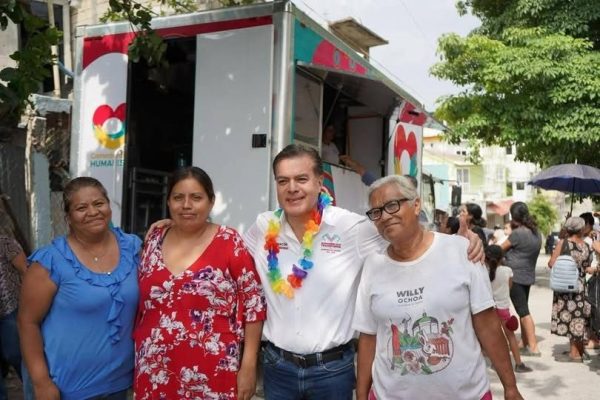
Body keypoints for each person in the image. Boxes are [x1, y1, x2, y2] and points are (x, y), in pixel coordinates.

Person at [241, 144, 484, 399]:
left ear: (319, 182)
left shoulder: (350, 228)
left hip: (331, 372)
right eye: (283, 181)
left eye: (301, 179)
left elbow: (406, 232)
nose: (292, 188)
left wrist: (458, 242)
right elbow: (229, 258)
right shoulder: (263, 227)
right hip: (277, 369)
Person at [353, 175, 522, 400]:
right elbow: (368, 337)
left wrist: (510, 387)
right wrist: (362, 394)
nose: (384, 216)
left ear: (416, 205)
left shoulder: (462, 251)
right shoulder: (373, 266)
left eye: (392, 206)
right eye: (376, 212)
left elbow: (488, 325)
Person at [133, 167, 266, 400]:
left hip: (213, 371)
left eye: (196, 197)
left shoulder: (229, 242)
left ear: (211, 202)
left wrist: (248, 366)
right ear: (168, 201)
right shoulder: (153, 239)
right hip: (154, 369)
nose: (186, 205)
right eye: (178, 198)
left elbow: (253, 304)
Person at [18, 177, 142, 400]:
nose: (93, 212)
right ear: (68, 217)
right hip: (66, 388)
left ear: (109, 206)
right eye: (81, 208)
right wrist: (41, 382)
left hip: (119, 384)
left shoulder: (132, 248)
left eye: (99, 203)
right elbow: (27, 322)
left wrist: (169, 226)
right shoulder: (51, 261)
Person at [548, 217, 594, 362]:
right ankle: (578, 351)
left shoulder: (563, 243)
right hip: (580, 287)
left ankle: (575, 354)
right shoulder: (586, 246)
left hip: (565, 287)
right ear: (581, 229)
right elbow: (586, 267)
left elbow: (551, 263)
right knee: (578, 318)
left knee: (571, 319)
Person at [501, 201, 542, 357]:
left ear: (514, 216)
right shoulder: (536, 232)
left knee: (523, 312)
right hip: (528, 275)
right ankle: (525, 342)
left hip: (515, 276)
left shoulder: (517, 234)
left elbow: (500, 249)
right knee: (523, 308)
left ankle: (533, 347)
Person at [485, 245, 532, 373]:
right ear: (502, 257)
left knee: (494, 338)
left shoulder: (483, 272)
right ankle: (519, 364)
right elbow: (509, 287)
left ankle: (496, 363)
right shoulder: (507, 271)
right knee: (511, 337)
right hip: (503, 309)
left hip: (490, 310)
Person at [0, 234, 27, 399]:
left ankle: (35, 390)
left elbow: (25, 270)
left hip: (9, 308)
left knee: (16, 353)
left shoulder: (4, 242)